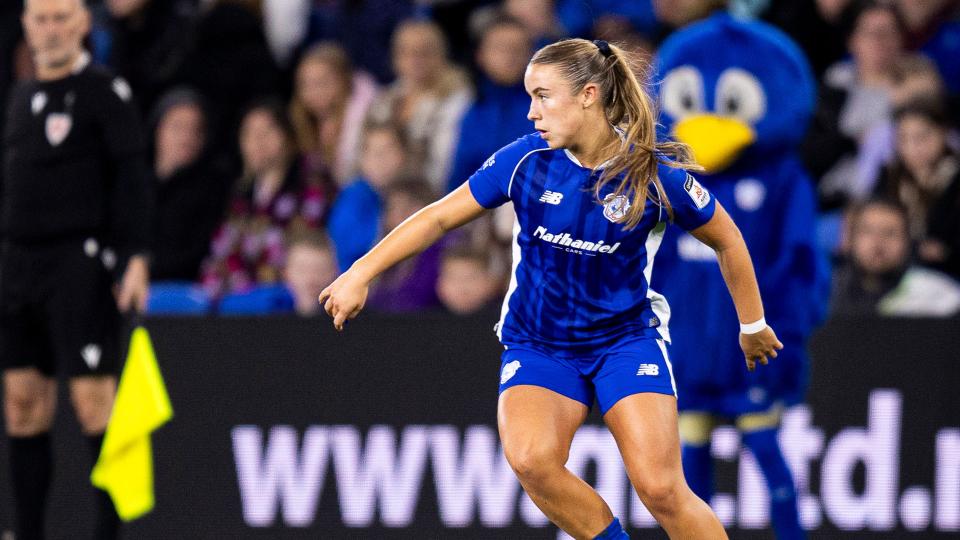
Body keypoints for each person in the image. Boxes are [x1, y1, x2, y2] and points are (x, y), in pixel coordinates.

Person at [320, 38, 783, 539]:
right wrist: (359, 273)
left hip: (623, 342)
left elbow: (728, 239)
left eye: (543, 96)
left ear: (588, 96)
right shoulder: (524, 161)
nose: (531, 112)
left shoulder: (652, 175)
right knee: (531, 460)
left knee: (661, 489)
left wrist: (752, 324)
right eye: (529, 96)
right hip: (539, 343)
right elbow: (437, 218)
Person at [1, 1, 152, 538]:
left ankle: (109, 533)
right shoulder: (19, 96)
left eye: (62, 17)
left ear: (84, 23)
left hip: (79, 263)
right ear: (25, 26)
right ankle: (27, 531)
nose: (51, 30)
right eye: (40, 19)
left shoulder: (105, 93)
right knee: (21, 405)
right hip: (19, 267)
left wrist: (135, 255)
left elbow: (133, 179)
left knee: (93, 402)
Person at [830, 198, 960, 316]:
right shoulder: (825, 293)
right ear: (850, 239)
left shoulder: (940, 296)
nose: (877, 243)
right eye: (867, 231)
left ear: (908, 241)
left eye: (890, 233)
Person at [289, 42, 379, 186]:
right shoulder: (302, 122)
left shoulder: (367, 118)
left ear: (344, 80)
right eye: (306, 84)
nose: (314, 92)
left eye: (322, 83)